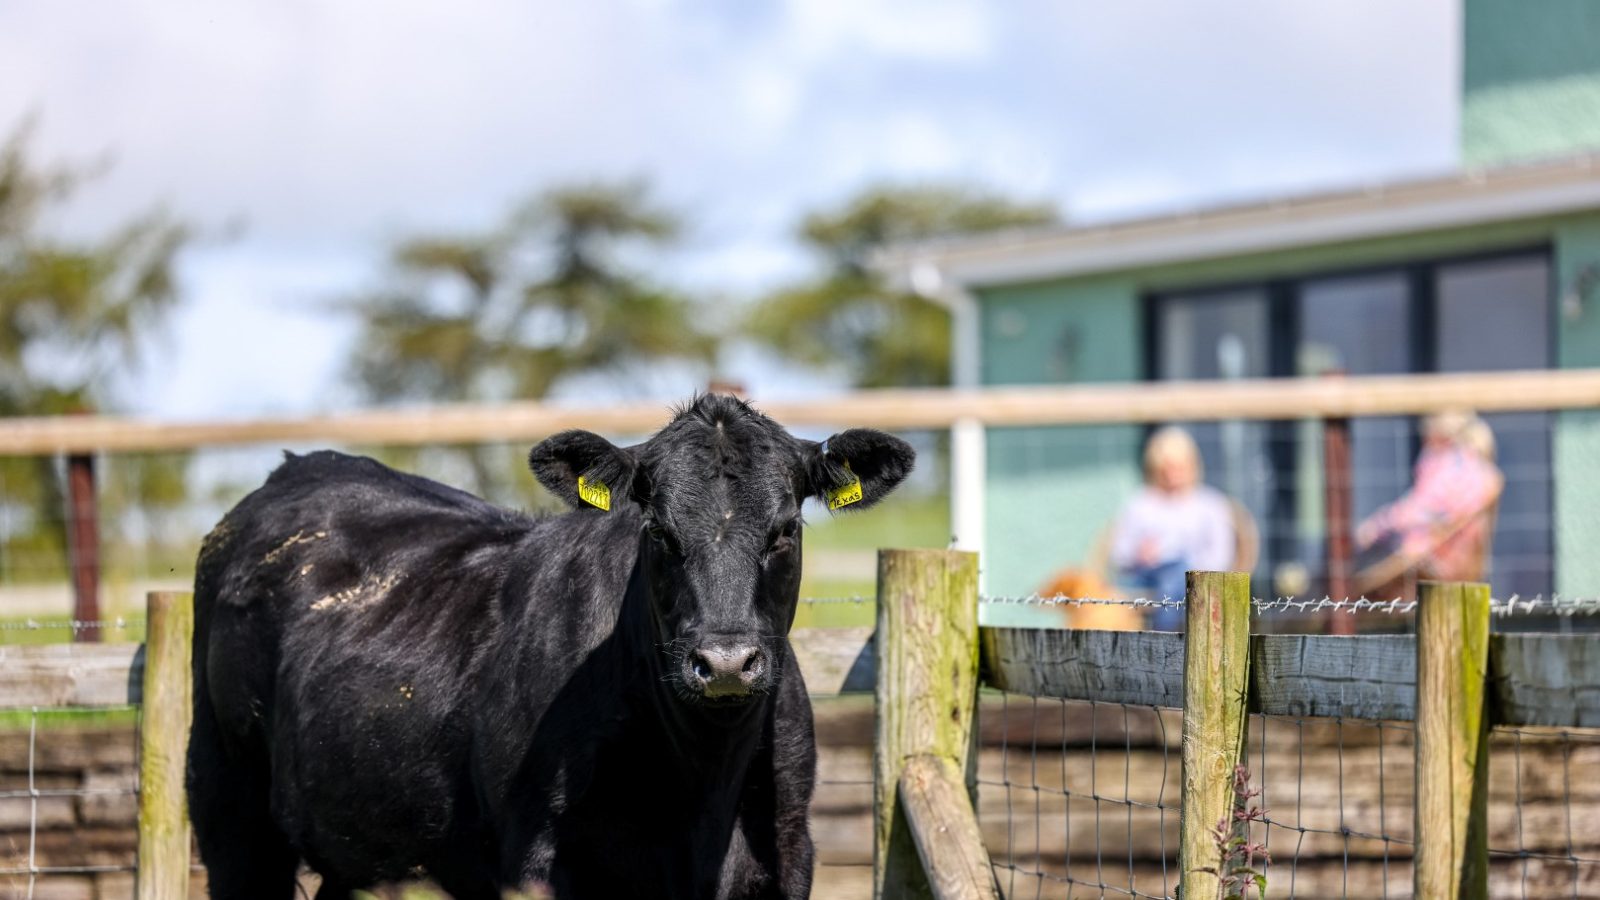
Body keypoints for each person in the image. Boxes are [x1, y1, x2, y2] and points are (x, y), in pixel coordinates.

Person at [1109, 426, 1235, 630]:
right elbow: (1119, 555)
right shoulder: (1140, 504)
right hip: (1145, 578)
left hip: (1192, 580)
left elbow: (1220, 557)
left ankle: (1163, 635)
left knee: (1175, 573)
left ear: (1192, 465)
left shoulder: (1212, 505)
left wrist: (1190, 570)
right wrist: (1138, 555)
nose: (1171, 475)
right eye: (1165, 467)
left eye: (1178, 467)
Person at [1355, 410, 1502, 582]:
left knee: (1355, 558)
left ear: (1437, 433)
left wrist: (1374, 528)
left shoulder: (1449, 466)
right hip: (1458, 560)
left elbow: (1420, 510)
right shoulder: (1481, 469)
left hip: (1432, 560)